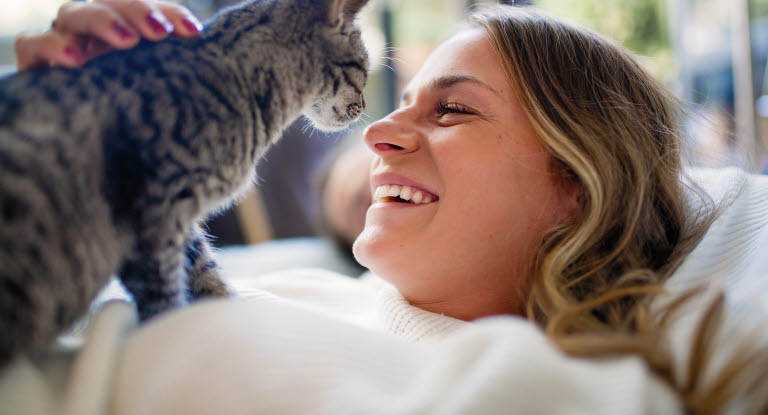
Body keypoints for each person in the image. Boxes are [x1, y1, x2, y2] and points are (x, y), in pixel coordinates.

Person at [5, 1, 768, 414]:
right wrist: (91, 149)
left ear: (578, 185)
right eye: (399, 102)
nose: (377, 131)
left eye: (454, 111)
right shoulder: (306, 295)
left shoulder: (546, 388)